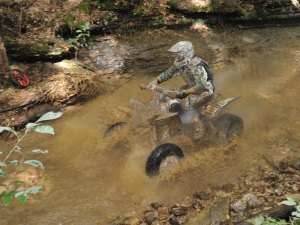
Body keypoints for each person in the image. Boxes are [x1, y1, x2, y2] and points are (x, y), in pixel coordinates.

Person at [148, 41, 216, 139]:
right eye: (176, 55)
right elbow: (169, 73)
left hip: (205, 91)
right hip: (190, 87)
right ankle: (159, 116)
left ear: (186, 53)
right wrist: (156, 81)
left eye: (178, 55)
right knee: (164, 95)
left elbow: (201, 85)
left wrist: (185, 93)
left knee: (187, 102)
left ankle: (199, 128)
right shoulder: (180, 64)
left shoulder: (197, 65)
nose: (176, 57)